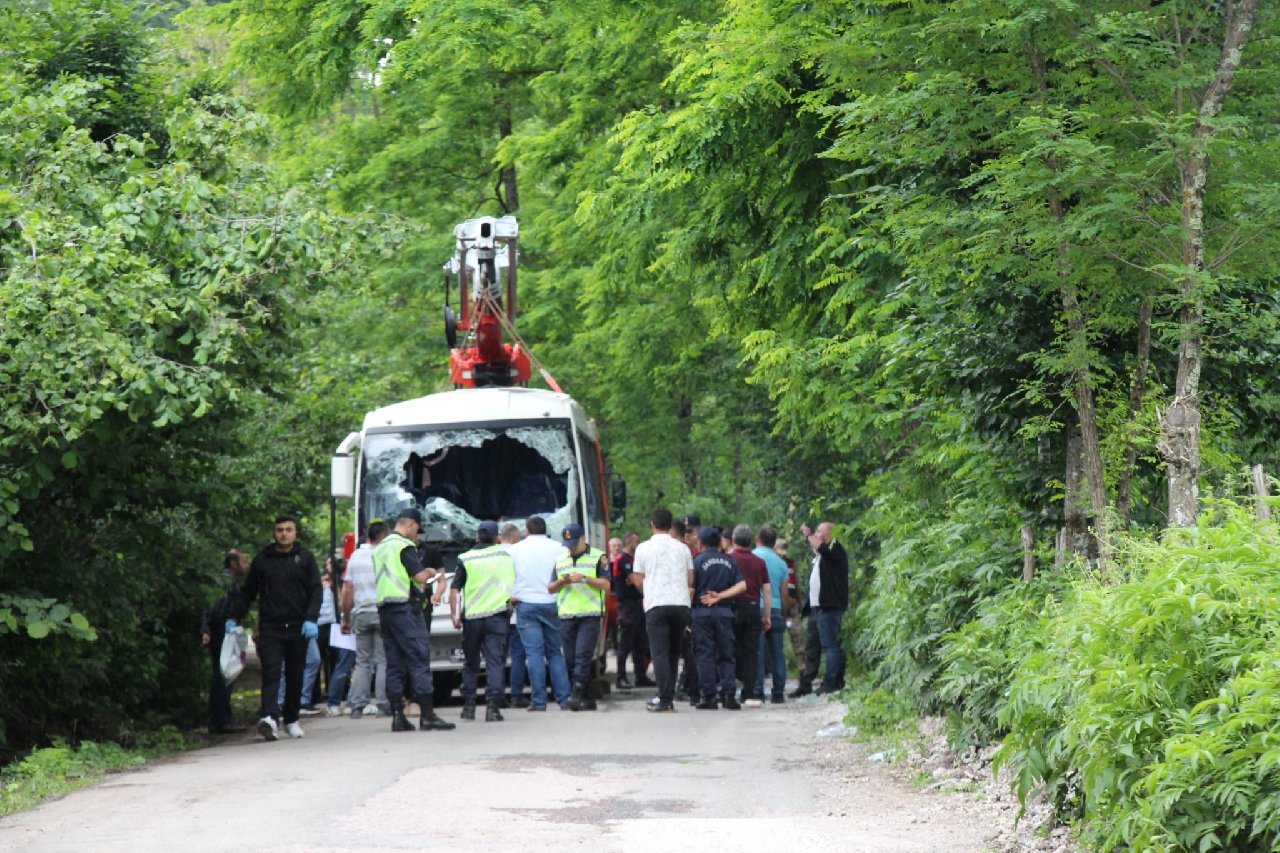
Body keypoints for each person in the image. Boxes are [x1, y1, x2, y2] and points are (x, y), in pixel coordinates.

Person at [230, 516, 322, 741]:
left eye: (288, 530)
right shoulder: (263, 560)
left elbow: (316, 591)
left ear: (295, 532)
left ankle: (291, 719)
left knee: (294, 675)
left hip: (299, 628)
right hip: (271, 627)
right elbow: (248, 592)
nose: (284, 534)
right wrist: (234, 618)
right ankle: (270, 718)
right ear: (274, 533)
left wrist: (311, 619)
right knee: (271, 672)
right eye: (279, 530)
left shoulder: (305, 558)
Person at [375, 508, 456, 731]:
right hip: (405, 609)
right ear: (411, 524)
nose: (416, 535)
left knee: (394, 664)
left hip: (385, 610)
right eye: (417, 529)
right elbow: (419, 577)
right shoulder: (403, 546)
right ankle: (427, 715)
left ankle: (398, 716)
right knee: (419, 659)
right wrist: (430, 572)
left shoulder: (381, 547)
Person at [451, 520, 515, 722]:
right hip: (496, 617)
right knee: (495, 663)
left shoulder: (465, 558)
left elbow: (455, 590)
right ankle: (493, 709)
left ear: (477, 536)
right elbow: (513, 586)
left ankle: (469, 707)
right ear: (497, 538)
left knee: (470, 663)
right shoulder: (505, 557)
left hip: (472, 619)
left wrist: (455, 615)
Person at [507, 515, 572, 711]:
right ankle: (563, 698)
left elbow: (509, 575)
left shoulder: (515, 550)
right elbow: (565, 576)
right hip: (552, 603)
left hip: (526, 605)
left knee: (533, 653)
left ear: (527, 531)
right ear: (546, 530)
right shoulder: (560, 549)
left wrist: (513, 595)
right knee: (554, 653)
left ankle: (539, 701)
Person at [634, 507, 693, 713]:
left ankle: (664, 697)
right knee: (674, 652)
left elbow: (638, 580)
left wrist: (649, 590)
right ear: (670, 525)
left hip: (657, 604)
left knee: (659, 652)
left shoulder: (642, 548)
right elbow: (690, 578)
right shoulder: (683, 548)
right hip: (681, 604)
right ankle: (669, 695)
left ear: (652, 524)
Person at [550, 523, 609, 711]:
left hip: (590, 613)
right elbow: (549, 588)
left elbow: (606, 584)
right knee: (570, 658)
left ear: (584, 539)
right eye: (568, 543)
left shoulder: (598, 557)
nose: (571, 547)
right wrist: (561, 581)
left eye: (574, 543)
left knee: (583, 655)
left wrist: (585, 579)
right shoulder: (560, 560)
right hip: (566, 614)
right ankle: (588, 697)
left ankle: (576, 693)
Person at [792, 522, 849, 697]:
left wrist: (808, 534)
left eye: (819, 531)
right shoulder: (820, 557)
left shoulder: (835, 549)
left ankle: (831, 682)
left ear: (828, 534)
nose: (816, 535)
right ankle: (806, 683)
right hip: (817, 608)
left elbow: (821, 547)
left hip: (829, 607)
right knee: (812, 647)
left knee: (830, 645)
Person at [690, 526, 745, 710]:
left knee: (705, 654)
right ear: (720, 543)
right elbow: (742, 586)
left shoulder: (696, 561)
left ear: (700, 544)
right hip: (724, 612)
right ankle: (729, 696)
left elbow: (690, 588)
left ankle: (709, 697)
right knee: (726, 655)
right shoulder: (730, 561)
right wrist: (721, 596)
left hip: (702, 612)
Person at [342, 521, 390, 719]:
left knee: (362, 662)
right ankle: (383, 704)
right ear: (384, 535)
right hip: (382, 612)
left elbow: (347, 590)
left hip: (361, 614)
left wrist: (346, 619)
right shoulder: (385, 555)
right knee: (382, 660)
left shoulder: (354, 558)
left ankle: (357, 705)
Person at [201, 548, 249, 734]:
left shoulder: (227, 581)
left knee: (222, 674)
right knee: (224, 674)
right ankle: (221, 720)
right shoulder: (226, 582)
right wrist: (208, 628)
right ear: (233, 563)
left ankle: (219, 718)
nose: (246, 566)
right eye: (243, 562)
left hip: (222, 628)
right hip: (222, 630)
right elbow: (213, 606)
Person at [727, 524, 770, 708]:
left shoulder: (729, 559)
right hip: (753, 608)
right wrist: (766, 615)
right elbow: (766, 591)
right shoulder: (759, 562)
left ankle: (731, 685)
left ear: (733, 540)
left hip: (733, 607)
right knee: (752, 650)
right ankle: (749, 690)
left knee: (731, 648)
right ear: (751, 541)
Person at [753, 527, 791, 703]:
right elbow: (785, 593)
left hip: (756, 608)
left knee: (758, 652)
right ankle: (778, 692)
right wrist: (784, 614)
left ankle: (758, 690)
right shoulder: (781, 563)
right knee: (777, 653)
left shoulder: (753, 557)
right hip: (775, 610)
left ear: (757, 539)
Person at [498, 523, 530, 708]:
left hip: (495, 611)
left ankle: (498, 695)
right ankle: (516, 695)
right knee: (518, 655)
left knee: (497, 658)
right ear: (515, 537)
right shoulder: (520, 553)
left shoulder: (492, 554)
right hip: (517, 610)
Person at [612, 532, 650, 689]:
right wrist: (637, 579)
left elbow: (637, 579)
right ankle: (621, 677)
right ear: (629, 542)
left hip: (637, 604)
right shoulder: (622, 559)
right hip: (626, 606)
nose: (639, 543)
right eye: (637, 541)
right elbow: (635, 580)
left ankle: (640, 675)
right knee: (625, 643)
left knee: (641, 641)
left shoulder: (633, 560)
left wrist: (638, 579)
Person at [776, 537, 806, 676]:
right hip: (779, 607)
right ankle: (778, 673)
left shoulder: (790, 564)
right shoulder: (772, 564)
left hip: (793, 608)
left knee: (799, 642)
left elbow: (796, 584)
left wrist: (799, 603)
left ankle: (803, 672)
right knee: (777, 643)